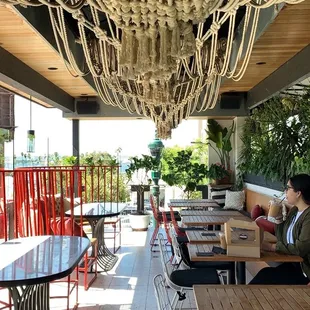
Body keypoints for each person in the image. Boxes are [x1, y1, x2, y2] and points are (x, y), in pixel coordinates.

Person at [249, 173, 310, 285]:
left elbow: (301, 248)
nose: (285, 192)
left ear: (298, 193)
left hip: (305, 271)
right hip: (292, 263)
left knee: (264, 279)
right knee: (264, 274)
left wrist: (272, 247)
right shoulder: (294, 211)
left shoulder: (308, 216)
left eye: (288, 188)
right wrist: (278, 218)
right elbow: (282, 239)